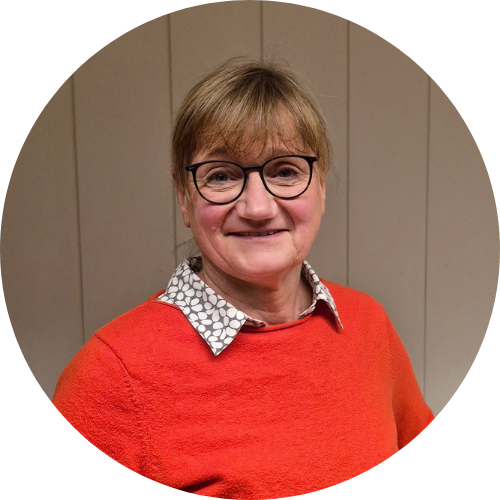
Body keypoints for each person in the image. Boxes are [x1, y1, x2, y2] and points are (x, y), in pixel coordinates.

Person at [52, 57, 434, 497]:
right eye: (221, 176)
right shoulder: (110, 376)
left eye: (285, 171)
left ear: (321, 187)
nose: (257, 208)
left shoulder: (368, 324)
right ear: (183, 197)